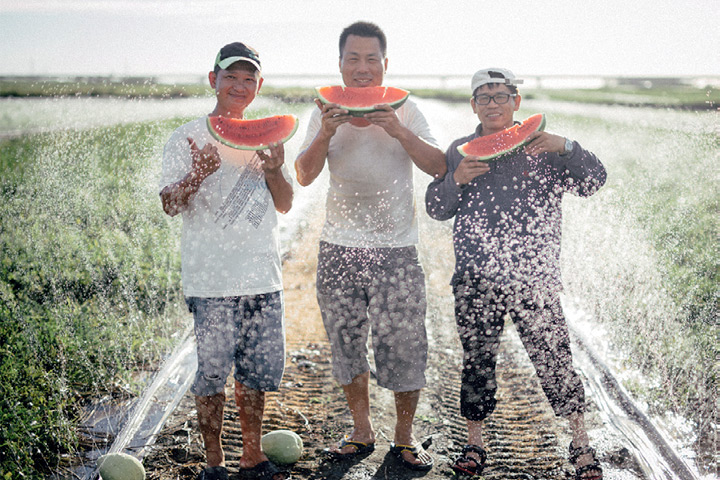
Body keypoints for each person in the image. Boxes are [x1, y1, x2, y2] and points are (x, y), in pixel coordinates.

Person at [425, 68, 606, 480]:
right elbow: (436, 207)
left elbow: (595, 181)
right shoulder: (459, 151)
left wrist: (568, 146)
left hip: (533, 278)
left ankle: (580, 444)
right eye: (484, 97)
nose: (493, 104)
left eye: (501, 96)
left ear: (516, 102)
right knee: (477, 363)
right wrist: (455, 179)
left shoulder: (546, 148)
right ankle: (475, 444)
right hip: (476, 280)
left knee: (556, 360)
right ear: (473, 105)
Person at [295, 21, 446, 471]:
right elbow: (303, 175)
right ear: (340, 64)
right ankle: (361, 430)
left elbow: (439, 165)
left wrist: (399, 130)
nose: (362, 69)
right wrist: (325, 132)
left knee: (403, 343)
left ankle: (404, 437)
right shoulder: (324, 112)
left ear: (385, 64)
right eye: (352, 59)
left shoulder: (409, 110)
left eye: (371, 59)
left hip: (396, 250)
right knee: (346, 342)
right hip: (339, 247)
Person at [159, 42, 293, 480]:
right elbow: (169, 204)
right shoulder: (187, 136)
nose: (240, 85)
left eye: (248, 78)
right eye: (231, 77)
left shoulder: (269, 136)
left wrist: (274, 169)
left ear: (258, 86)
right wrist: (198, 172)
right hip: (211, 283)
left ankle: (252, 455)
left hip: (262, 278)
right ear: (213, 79)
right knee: (211, 375)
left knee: (256, 375)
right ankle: (214, 461)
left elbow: (287, 203)